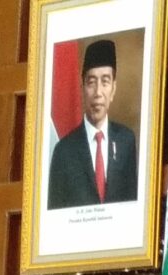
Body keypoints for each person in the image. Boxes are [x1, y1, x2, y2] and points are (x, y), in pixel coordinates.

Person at [45, 39, 139, 210]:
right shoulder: (64, 151)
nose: (98, 93)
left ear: (113, 89)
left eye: (105, 82)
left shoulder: (126, 141)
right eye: (91, 82)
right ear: (82, 88)